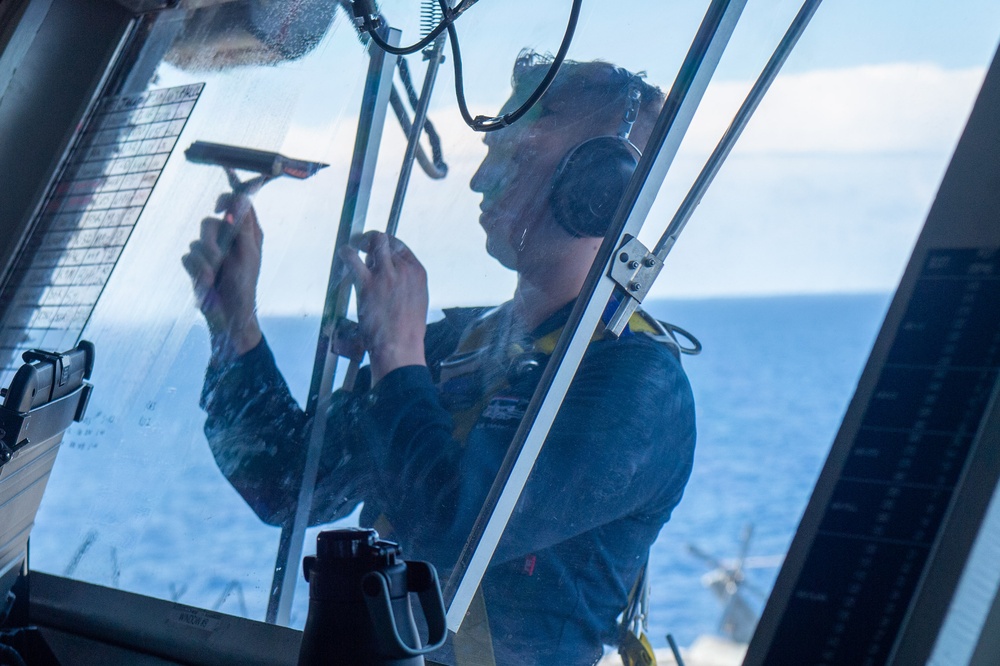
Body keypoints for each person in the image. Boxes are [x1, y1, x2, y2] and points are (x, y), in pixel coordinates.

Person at [183, 52, 696, 666]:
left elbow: (453, 530)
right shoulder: (459, 347)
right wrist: (234, 326)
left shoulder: (636, 386)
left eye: (514, 154)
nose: (480, 180)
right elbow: (287, 487)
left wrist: (397, 357)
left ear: (597, 188)